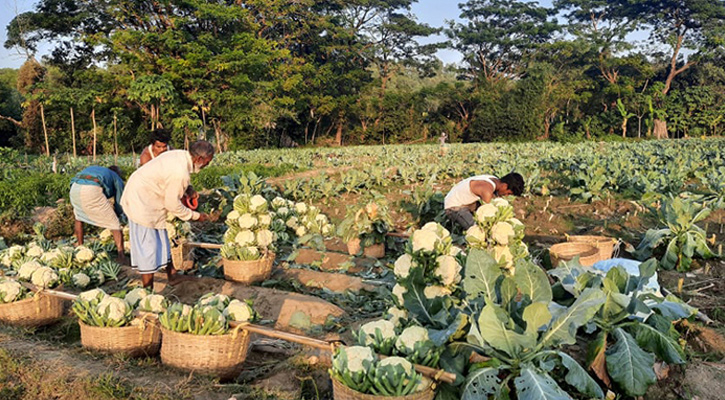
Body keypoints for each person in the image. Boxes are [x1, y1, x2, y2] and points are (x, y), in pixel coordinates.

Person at [121, 141, 215, 289]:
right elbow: (172, 204)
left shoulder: (180, 156)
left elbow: (167, 178)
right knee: (148, 247)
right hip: (141, 201)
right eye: (207, 162)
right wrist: (195, 216)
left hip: (149, 197)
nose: (207, 165)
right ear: (199, 159)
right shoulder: (180, 173)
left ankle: (172, 275)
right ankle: (148, 288)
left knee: (162, 238)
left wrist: (188, 189)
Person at [70, 165, 127, 264]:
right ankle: (121, 255)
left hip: (74, 187)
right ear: (117, 173)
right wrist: (119, 214)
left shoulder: (98, 170)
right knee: (114, 223)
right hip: (91, 188)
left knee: (79, 216)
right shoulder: (115, 176)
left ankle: (80, 245)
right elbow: (119, 199)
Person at [444, 172, 524, 230]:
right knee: (476, 230)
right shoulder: (487, 190)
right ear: (504, 186)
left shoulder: (493, 179)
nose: (506, 195)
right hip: (454, 207)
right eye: (508, 193)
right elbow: (488, 215)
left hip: (466, 201)